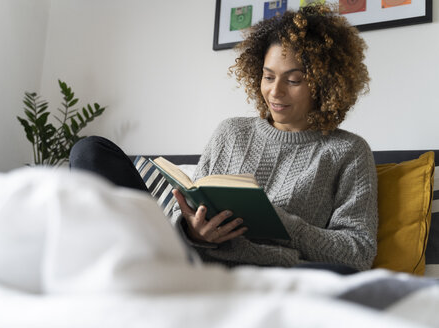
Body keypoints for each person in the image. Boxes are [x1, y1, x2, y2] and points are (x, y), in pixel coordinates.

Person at [70, 4, 377, 274]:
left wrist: (283, 223)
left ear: (324, 85)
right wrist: (194, 231)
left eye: (293, 80)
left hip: (272, 274)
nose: (275, 91)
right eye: (268, 77)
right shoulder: (231, 132)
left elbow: (357, 253)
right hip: (192, 261)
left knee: (344, 277)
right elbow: (188, 207)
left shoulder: (348, 151)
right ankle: (126, 270)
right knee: (90, 151)